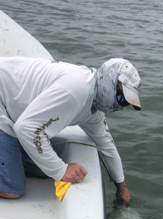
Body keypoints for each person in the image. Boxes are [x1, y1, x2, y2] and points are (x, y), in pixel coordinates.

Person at [0, 57, 142, 203]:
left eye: (125, 102)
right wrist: (62, 170)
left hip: (11, 110)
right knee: (12, 188)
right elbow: (25, 128)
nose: (120, 104)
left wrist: (121, 186)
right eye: (121, 97)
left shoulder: (94, 108)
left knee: (43, 168)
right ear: (109, 80)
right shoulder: (76, 91)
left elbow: (106, 143)